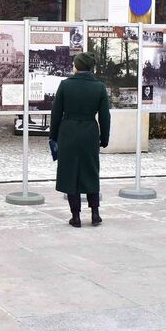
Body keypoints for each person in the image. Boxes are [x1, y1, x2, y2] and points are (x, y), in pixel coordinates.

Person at [50, 52, 111, 228]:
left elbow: (56, 113)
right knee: (91, 171)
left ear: (77, 66)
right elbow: (105, 116)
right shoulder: (99, 87)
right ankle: (95, 213)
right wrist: (104, 138)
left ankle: (75, 216)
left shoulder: (65, 85)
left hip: (68, 132)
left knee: (70, 173)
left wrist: (53, 136)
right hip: (90, 132)